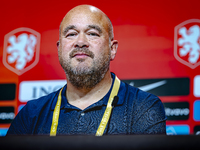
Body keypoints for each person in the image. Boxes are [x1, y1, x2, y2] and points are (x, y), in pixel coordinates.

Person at [7, 5, 167, 136]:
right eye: (71, 34)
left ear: (112, 49)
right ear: (59, 49)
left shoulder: (142, 107)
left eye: (92, 34)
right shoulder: (31, 113)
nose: (80, 42)